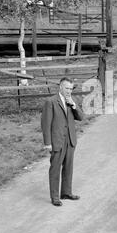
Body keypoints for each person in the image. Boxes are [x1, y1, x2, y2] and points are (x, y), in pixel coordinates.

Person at [41, 77, 84, 206]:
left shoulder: (71, 101)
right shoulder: (51, 102)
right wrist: (47, 143)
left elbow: (81, 117)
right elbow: (45, 124)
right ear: (60, 87)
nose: (69, 91)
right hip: (57, 141)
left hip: (70, 140)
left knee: (68, 167)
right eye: (66, 88)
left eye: (71, 89)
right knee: (55, 169)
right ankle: (55, 197)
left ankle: (66, 192)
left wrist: (74, 105)